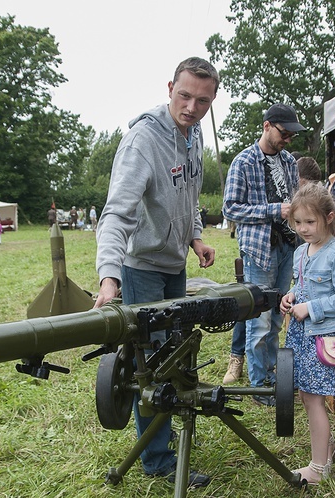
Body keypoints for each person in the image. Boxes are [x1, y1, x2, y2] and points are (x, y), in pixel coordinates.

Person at [93, 56, 218, 488]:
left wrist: (195, 237)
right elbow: (116, 213)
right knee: (153, 365)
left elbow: (189, 195)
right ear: (169, 87)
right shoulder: (141, 141)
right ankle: (158, 459)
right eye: (184, 96)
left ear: (211, 100)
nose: (191, 107)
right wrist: (109, 276)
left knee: (178, 354)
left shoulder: (195, 133)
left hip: (174, 266)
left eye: (202, 100)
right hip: (140, 266)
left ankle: (173, 432)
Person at [279, 182, 335, 485]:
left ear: (328, 217)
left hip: (323, 337)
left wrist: (311, 307)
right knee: (306, 395)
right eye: (297, 222)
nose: (303, 228)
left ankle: (318, 468)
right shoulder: (302, 250)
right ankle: (326, 448)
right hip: (302, 335)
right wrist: (290, 296)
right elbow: (303, 286)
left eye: (309, 222)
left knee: (313, 399)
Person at [222, 103, 305, 403]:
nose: (287, 140)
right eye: (284, 133)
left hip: (287, 247)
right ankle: (259, 386)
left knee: (277, 316)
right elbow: (229, 208)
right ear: (267, 126)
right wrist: (274, 210)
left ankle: (271, 375)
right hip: (258, 250)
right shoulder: (243, 162)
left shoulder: (289, 163)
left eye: (291, 136)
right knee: (259, 319)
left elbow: (294, 200)